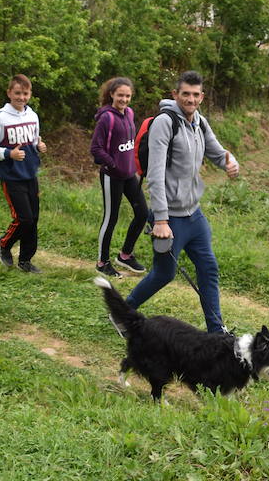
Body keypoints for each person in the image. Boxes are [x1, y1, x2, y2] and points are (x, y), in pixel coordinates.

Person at [123, 70, 239, 333]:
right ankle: (123, 312)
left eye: (196, 94)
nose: (191, 99)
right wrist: (161, 219)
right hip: (170, 217)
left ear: (202, 96)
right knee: (164, 274)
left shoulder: (200, 122)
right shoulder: (165, 122)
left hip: (194, 215)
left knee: (208, 269)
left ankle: (216, 331)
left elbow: (219, 153)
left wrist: (231, 165)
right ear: (175, 94)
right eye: (185, 94)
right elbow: (154, 174)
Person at [0, 74, 48, 274]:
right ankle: (4, 243)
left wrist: (40, 146)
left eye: (25, 93)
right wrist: (8, 153)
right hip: (11, 176)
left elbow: (34, 140)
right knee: (24, 218)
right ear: (9, 93)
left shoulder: (32, 115)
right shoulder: (0, 119)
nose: (21, 97)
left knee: (33, 219)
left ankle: (25, 261)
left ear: (30, 94)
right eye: (17, 93)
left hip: (30, 174)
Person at [90, 77, 148, 277]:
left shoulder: (129, 113)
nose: (124, 99)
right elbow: (95, 149)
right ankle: (102, 262)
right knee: (111, 218)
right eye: (120, 95)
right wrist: (113, 163)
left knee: (143, 214)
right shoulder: (107, 118)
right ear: (112, 94)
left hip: (129, 175)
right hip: (111, 176)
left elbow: (130, 143)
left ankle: (125, 255)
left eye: (128, 96)